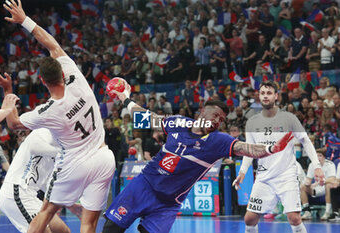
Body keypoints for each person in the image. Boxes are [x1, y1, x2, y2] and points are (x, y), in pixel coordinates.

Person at [102, 79, 294, 233]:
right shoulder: (177, 122)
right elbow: (145, 117)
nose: (218, 120)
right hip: (144, 186)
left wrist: (270, 149)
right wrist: (126, 98)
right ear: (202, 111)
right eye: (215, 115)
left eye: (221, 119)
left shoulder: (218, 141)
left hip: (168, 204)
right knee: (112, 228)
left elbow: (247, 148)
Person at [0, 1, 115, 232]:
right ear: (63, 71)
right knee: (88, 224)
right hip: (103, 156)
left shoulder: (47, 113)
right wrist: (25, 21)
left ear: (42, 81)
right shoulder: (77, 80)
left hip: (76, 163)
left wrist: (8, 93)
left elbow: (14, 123)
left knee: (46, 213)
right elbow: (53, 45)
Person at [233, 81, 325, 233]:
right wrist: (242, 172)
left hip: (286, 176)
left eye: (269, 93)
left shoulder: (289, 118)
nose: (265, 96)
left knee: (294, 219)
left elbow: (306, 141)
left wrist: (317, 166)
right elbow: (250, 150)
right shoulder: (252, 123)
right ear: (259, 96)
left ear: (276, 96)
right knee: (249, 219)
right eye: (262, 93)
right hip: (264, 178)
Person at [0, 128, 80, 233]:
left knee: (63, 231)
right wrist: (64, 154)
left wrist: (69, 204)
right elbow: (34, 146)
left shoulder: (59, 152)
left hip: (31, 196)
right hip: (17, 192)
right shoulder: (46, 131)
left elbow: (45, 186)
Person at [300, 150, 336, 220]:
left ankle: (327, 212)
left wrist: (320, 182)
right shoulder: (312, 165)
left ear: (324, 157)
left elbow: (332, 179)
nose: (318, 158)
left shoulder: (330, 164)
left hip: (327, 188)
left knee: (328, 186)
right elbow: (308, 179)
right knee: (302, 186)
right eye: (316, 156)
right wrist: (307, 184)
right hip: (315, 189)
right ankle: (307, 212)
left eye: (320, 156)